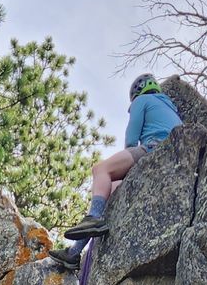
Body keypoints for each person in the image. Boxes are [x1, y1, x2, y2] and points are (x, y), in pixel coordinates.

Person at [51, 73, 183, 267]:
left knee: (101, 169)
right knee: (110, 192)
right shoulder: (171, 107)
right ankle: (74, 252)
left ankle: (93, 218)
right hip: (175, 156)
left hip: (153, 149)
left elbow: (131, 140)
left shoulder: (142, 101)